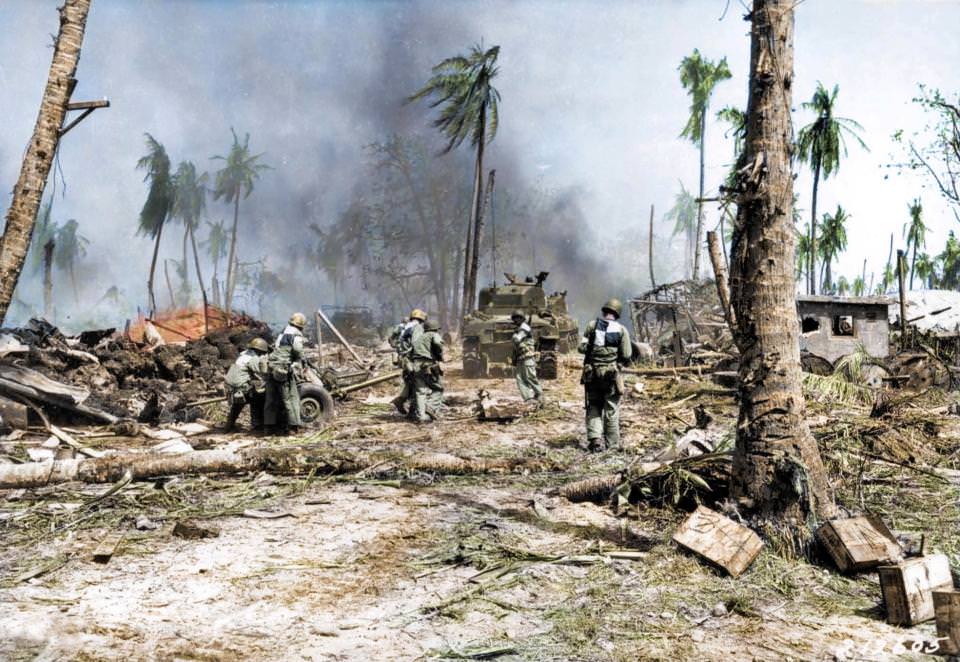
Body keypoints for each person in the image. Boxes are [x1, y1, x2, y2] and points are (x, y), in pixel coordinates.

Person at [578, 298, 632, 452]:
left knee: (594, 405)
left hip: (592, 374)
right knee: (611, 409)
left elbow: (581, 348)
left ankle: (595, 440)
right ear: (617, 313)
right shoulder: (622, 330)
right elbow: (627, 354)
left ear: (604, 311)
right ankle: (613, 445)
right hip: (611, 375)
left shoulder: (591, 326)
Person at [264, 312, 306, 435]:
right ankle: (293, 427)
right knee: (290, 398)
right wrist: (300, 360)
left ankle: (268, 427)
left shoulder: (282, 332)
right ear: (301, 325)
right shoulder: (296, 334)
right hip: (283, 369)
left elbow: (278, 349)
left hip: (271, 367)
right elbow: (298, 351)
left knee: (270, 399)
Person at [224, 337, 269, 431]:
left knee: (237, 404)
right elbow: (260, 372)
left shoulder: (242, 355)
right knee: (258, 398)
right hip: (240, 385)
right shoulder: (253, 358)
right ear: (260, 351)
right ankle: (257, 424)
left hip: (230, 385)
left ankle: (229, 425)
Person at [390, 309, 427, 416]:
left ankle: (406, 405)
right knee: (419, 385)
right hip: (411, 359)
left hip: (404, 358)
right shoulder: (418, 327)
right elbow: (416, 344)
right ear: (422, 319)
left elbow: (394, 340)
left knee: (411, 382)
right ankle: (413, 409)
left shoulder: (405, 326)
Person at [410, 318, 445, 422]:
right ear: (435, 329)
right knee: (438, 389)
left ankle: (422, 417)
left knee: (420, 392)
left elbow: (412, 351)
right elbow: (438, 343)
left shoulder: (419, 338)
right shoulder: (433, 334)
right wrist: (439, 354)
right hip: (428, 365)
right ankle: (430, 407)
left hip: (416, 366)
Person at [511, 309, 543, 405]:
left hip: (527, 357)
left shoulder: (524, 328)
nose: (515, 321)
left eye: (517, 318)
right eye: (514, 319)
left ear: (522, 319)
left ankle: (539, 395)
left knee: (530, 377)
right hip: (521, 358)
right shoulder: (520, 328)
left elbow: (517, 339)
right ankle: (528, 398)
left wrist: (514, 335)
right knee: (520, 379)